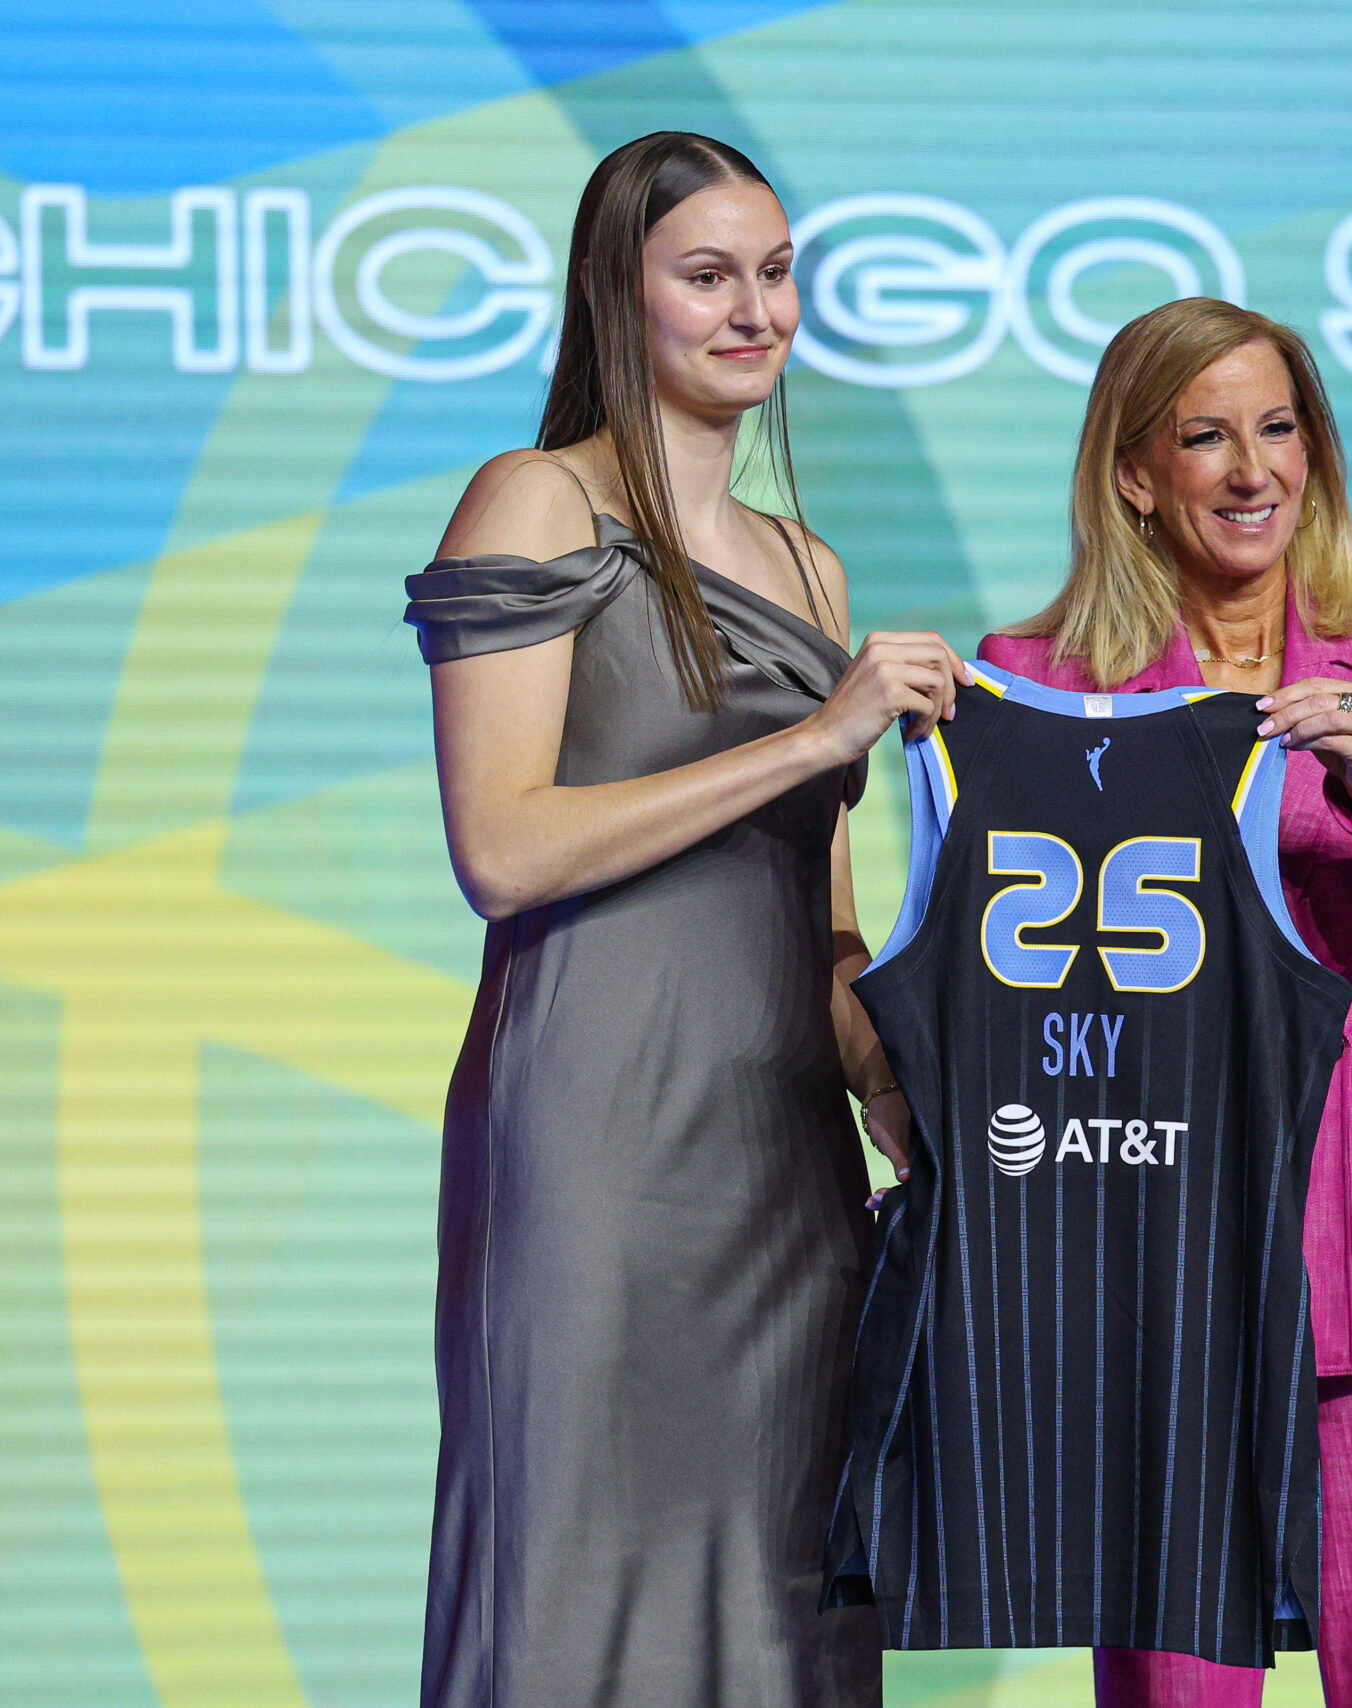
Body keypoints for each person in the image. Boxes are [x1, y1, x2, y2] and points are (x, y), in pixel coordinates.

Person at [403, 130, 965, 1708]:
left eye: (775, 273)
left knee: (789, 1596)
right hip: (597, 1149)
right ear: (616, 296)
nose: (756, 312)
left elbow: (824, 933)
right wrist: (807, 739)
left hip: (788, 1168)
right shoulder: (534, 501)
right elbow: (503, 850)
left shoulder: (807, 565)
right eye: (707, 275)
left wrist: (897, 1087)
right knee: (573, 1576)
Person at [977, 295, 1352, 1708]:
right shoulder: (1033, 682)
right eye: (1208, 436)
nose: (1254, 472)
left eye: (1280, 429)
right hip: (1154, 1259)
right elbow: (1016, 1002)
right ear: (1134, 473)